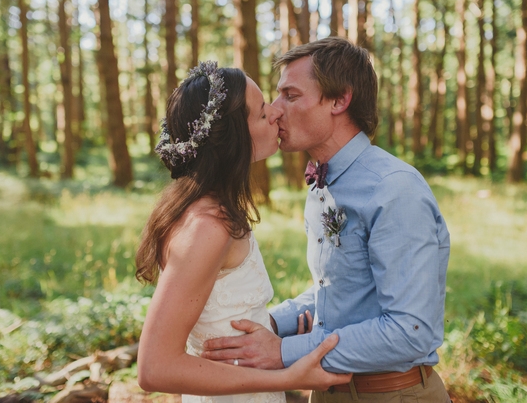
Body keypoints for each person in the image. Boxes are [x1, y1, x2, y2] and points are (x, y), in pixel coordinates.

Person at [201, 38, 452, 402]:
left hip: (392, 394)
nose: (274, 110)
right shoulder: (322, 184)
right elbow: (341, 293)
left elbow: (409, 330)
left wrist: (282, 352)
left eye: (290, 95)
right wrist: (270, 324)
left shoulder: (394, 189)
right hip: (327, 391)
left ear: (339, 100)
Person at [135, 61, 351, 403]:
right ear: (235, 135)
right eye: (263, 113)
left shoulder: (211, 210)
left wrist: (277, 330)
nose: (277, 115)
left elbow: (223, 318)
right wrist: (289, 374)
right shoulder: (207, 227)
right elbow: (154, 367)